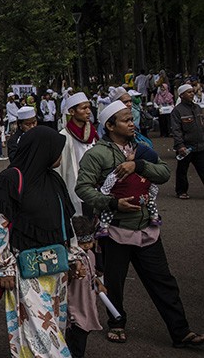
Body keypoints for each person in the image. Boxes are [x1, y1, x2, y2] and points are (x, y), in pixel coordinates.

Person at [76, 101, 204, 348]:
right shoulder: (98, 155)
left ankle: (181, 332)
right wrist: (112, 203)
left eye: (131, 118)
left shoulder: (143, 148)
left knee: (163, 280)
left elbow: (164, 173)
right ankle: (117, 323)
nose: (132, 123)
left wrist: (139, 165)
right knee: (115, 281)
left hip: (147, 227)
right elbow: (83, 188)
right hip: (115, 230)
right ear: (110, 126)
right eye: (125, 120)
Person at [0, 127, 81, 358]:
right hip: (24, 270)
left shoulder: (53, 179)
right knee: (40, 330)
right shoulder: (8, 181)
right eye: (57, 151)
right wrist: (2, 266)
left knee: (51, 326)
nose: (60, 156)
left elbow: (65, 222)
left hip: (56, 269)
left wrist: (74, 256)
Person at [96, 140, 162, 237]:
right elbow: (153, 188)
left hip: (121, 198)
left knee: (109, 208)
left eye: (133, 153)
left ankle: (104, 226)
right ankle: (154, 217)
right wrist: (151, 197)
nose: (129, 152)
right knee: (151, 203)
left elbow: (111, 178)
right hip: (142, 200)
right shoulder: (147, 175)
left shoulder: (124, 168)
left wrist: (104, 192)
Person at [66, 216, 104, 358]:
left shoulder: (90, 256)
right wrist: (73, 273)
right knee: (76, 339)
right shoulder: (72, 259)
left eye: (90, 242)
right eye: (83, 243)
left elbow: (91, 275)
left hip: (86, 304)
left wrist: (99, 284)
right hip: (74, 307)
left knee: (83, 333)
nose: (87, 246)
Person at [55, 92, 97, 216]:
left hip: (95, 188)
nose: (88, 111)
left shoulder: (93, 134)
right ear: (72, 112)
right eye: (84, 108)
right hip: (75, 188)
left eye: (89, 107)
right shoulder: (64, 136)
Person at [171, 83, 204, 199]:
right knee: (182, 170)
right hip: (186, 147)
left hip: (200, 146)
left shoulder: (198, 108)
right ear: (181, 95)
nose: (192, 94)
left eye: (192, 91)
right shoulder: (177, 111)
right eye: (188, 92)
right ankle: (181, 191)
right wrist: (180, 145)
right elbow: (176, 130)